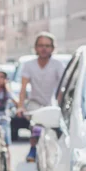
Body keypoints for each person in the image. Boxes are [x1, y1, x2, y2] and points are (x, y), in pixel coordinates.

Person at [17, 32, 65, 163]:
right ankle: (33, 149)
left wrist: (61, 106)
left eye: (47, 46)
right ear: (36, 47)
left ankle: (60, 153)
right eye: (41, 45)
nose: (44, 48)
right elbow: (23, 88)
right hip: (35, 102)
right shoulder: (29, 65)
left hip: (51, 103)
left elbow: (62, 88)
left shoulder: (57, 65)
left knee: (57, 129)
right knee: (36, 127)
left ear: (52, 48)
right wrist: (20, 106)